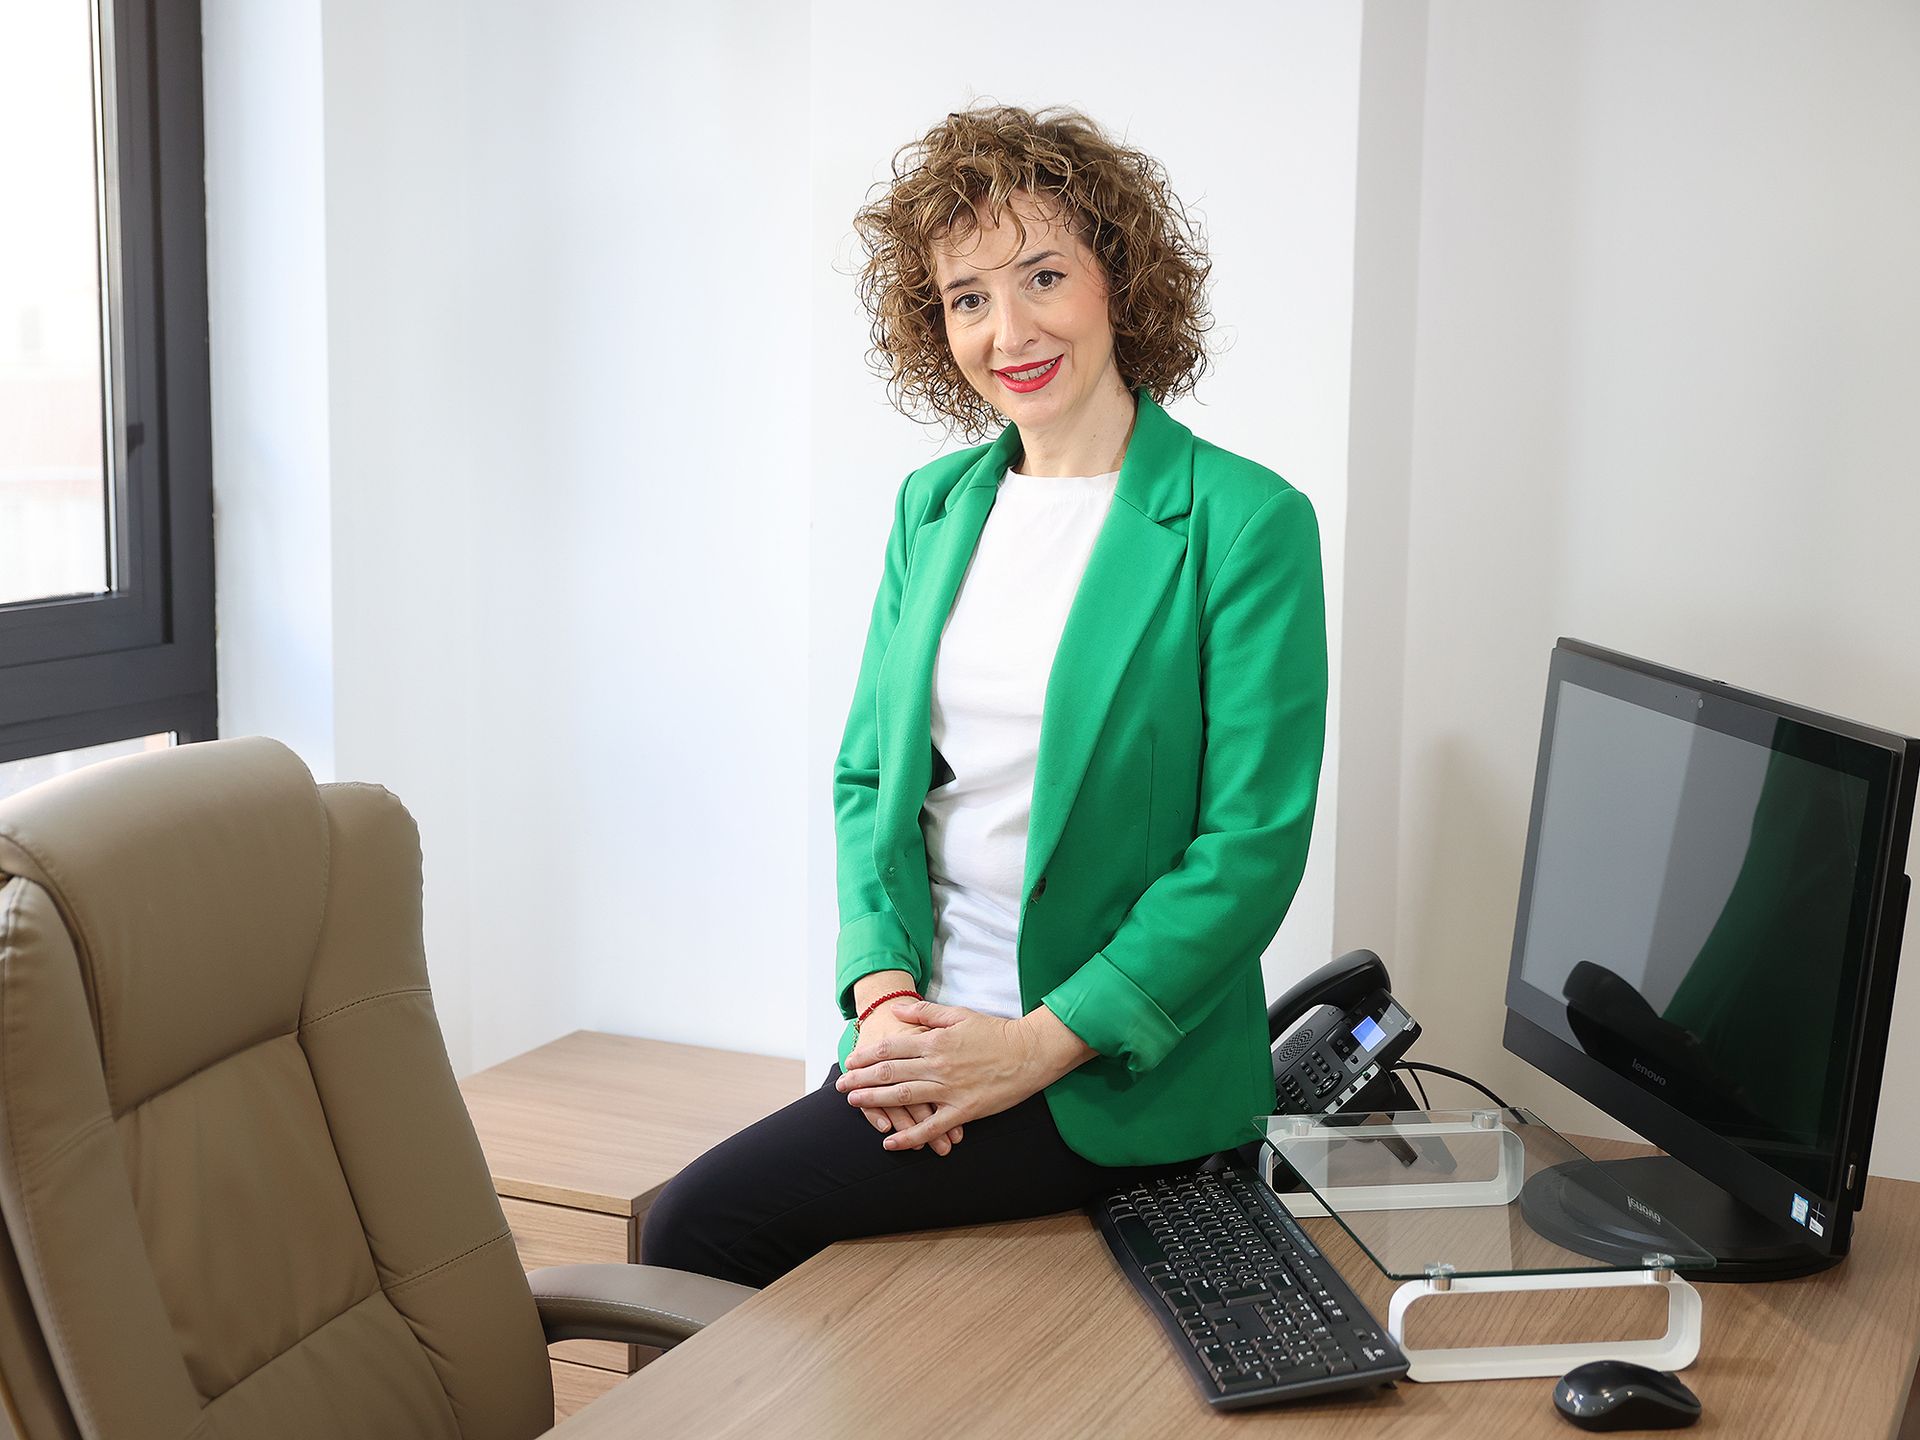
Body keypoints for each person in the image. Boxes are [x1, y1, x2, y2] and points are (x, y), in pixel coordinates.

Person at [640, 103, 1328, 1290]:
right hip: (924, 1030)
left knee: (699, 1227)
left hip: (1101, 1071)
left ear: (1122, 281)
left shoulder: (1245, 522)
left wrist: (1028, 1049)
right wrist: (883, 990)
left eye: (1043, 276)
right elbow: (872, 779)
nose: (1007, 329)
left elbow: (1249, 850)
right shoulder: (935, 507)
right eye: (966, 297)